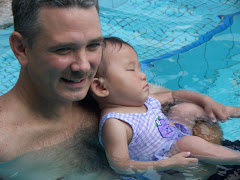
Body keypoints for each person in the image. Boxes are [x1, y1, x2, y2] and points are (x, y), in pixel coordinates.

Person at [90, 37, 240, 179]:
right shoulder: (115, 123)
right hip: (169, 167)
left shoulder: (143, 102)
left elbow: (174, 95)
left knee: (185, 109)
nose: (142, 75)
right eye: (131, 70)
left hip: (173, 137)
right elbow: (120, 165)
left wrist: (207, 100)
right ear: (101, 87)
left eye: (139, 68)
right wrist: (165, 164)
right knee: (187, 143)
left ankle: (225, 110)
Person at [0, 0, 116, 179]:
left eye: (93, 46)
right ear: (21, 48)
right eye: (63, 49)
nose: (83, 66)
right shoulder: (5, 142)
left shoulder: (107, 96)